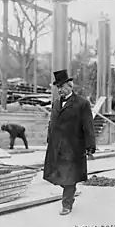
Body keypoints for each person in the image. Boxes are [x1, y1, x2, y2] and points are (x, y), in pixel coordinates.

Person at [43, 69, 96, 215]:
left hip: (73, 147)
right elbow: (51, 122)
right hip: (56, 146)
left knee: (69, 177)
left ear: (69, 86)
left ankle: (67, 203)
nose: (59, 89)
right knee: (56, 175)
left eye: (61, 86)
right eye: (57, 87)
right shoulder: (55, 103)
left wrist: (90, 146)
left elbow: (88, 126)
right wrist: (49, 138)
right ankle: (70, 193)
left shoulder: (82, 104)